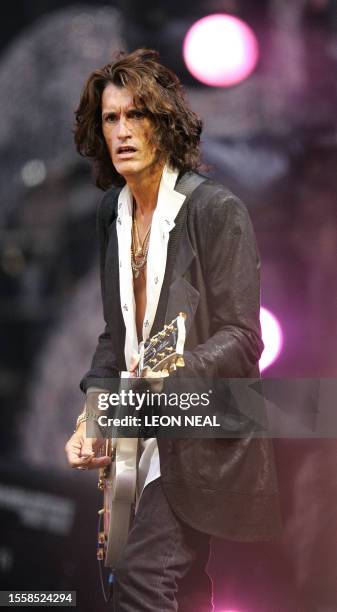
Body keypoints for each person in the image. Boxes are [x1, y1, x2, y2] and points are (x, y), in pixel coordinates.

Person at [65, 48, 281, 611]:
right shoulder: (112, 214)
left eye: (138, 115)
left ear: (167, 123)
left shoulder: (215, 210)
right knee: (173, 594)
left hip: (201, 429)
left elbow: (242, 337)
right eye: (111, 118)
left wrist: (169, 375)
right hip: (140, 433)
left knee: (140, 580)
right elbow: (118, 337)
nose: (123, 131)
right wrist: (95, 415)